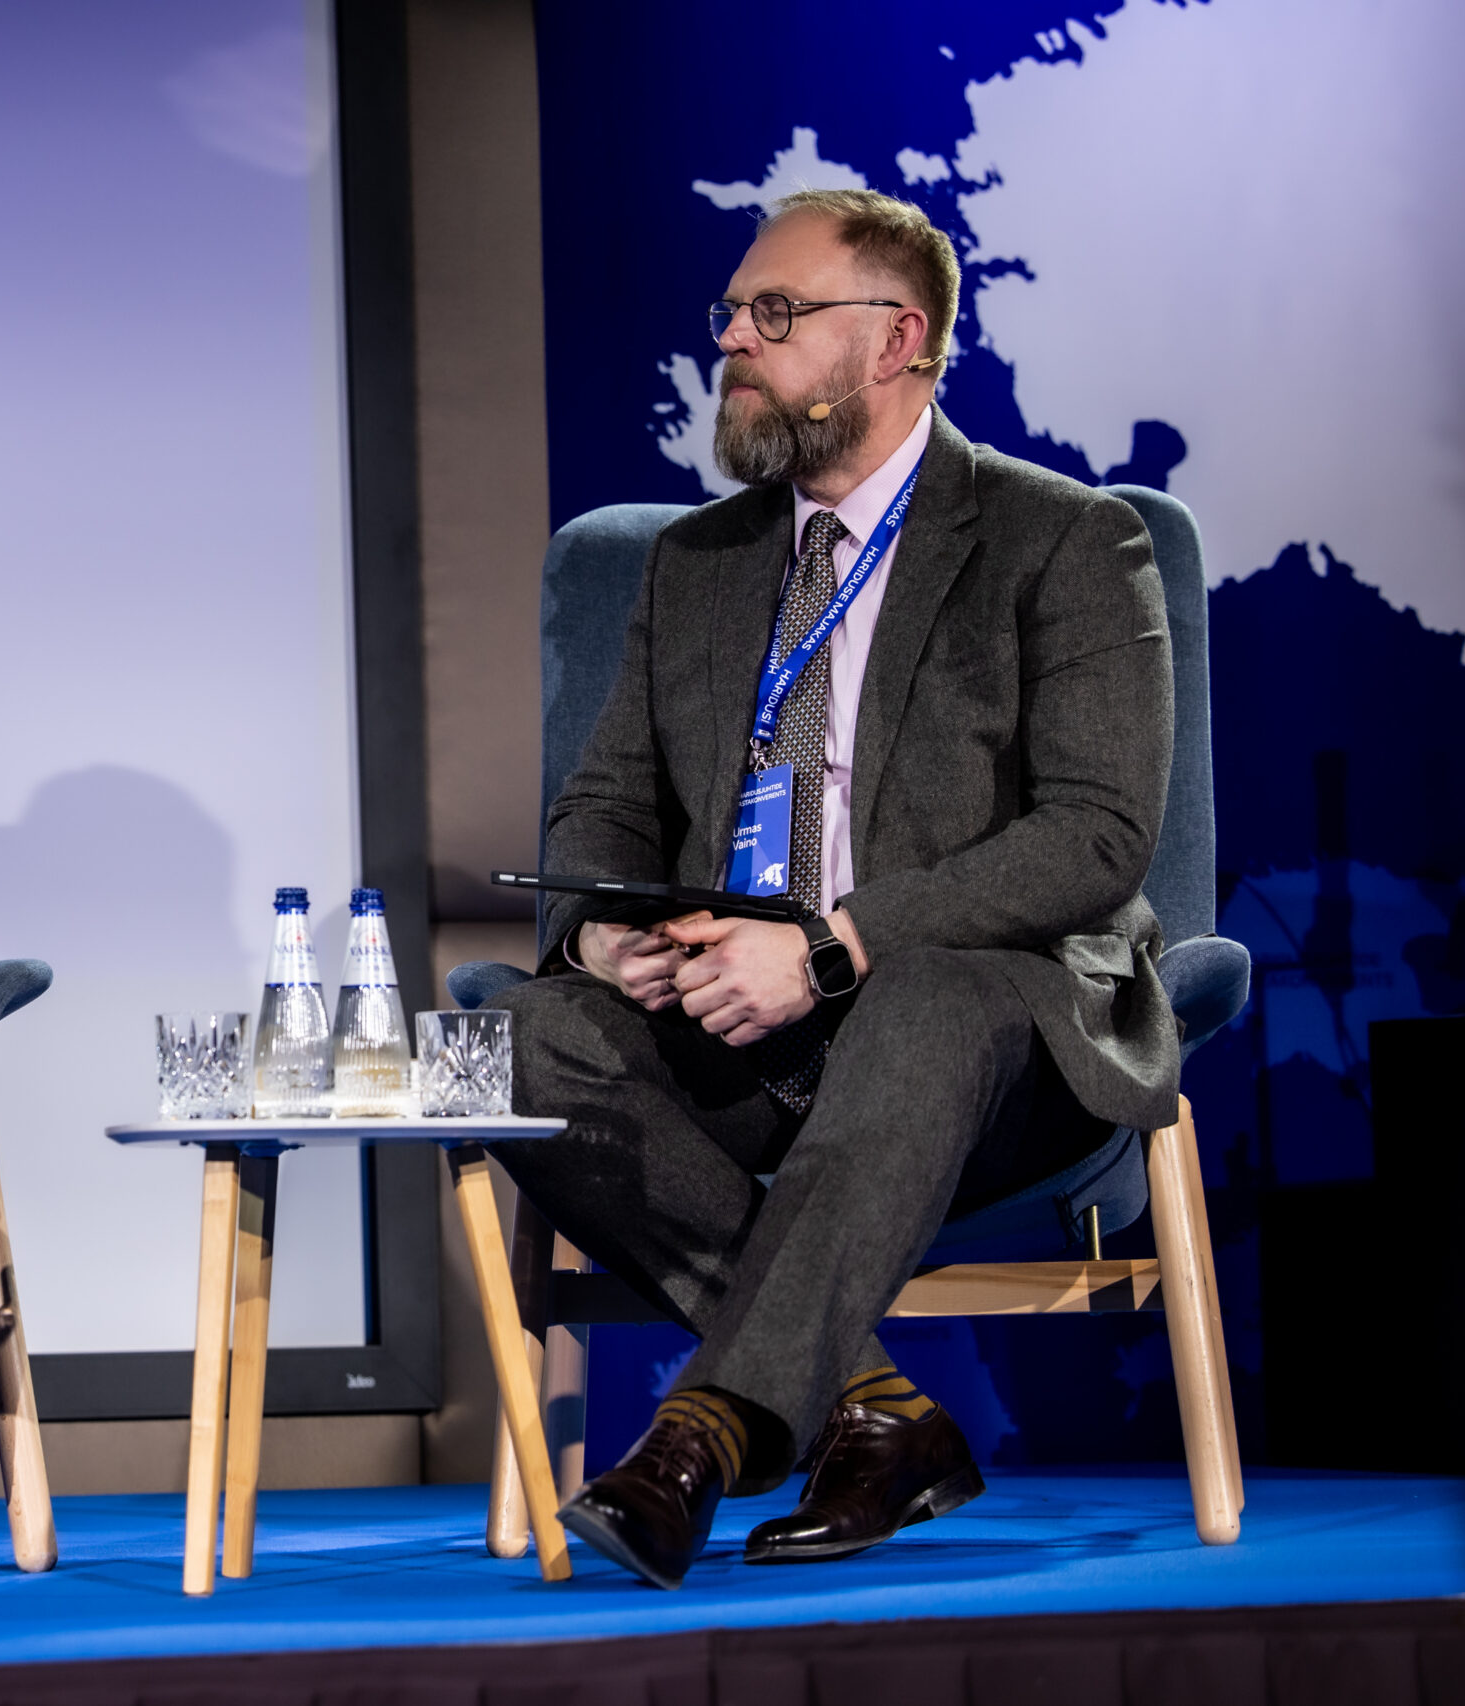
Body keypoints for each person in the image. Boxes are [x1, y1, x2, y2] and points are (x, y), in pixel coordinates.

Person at [490, 189, 1177, 1589]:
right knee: (517, 1032)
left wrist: (836, 946)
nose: (733, 339)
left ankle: (701, 1436)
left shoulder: (1065, 540)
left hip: (987, 1032)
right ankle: (875, 1404)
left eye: (777, 313)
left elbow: (1096, 837)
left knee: (923, 998)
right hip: (735, 1017)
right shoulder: (697, 562)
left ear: (897, 339)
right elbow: (604, 804)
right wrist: (608, 935)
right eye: (732, 313)